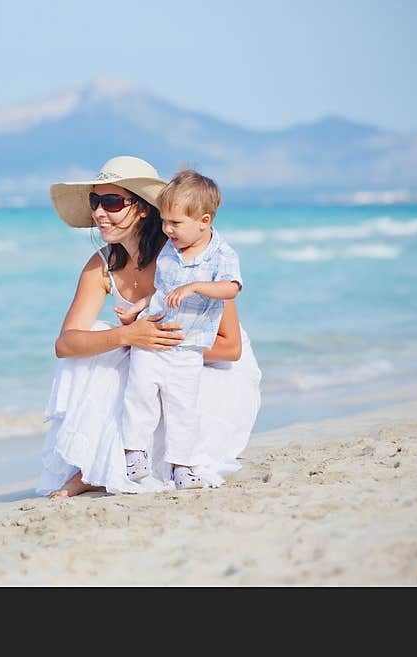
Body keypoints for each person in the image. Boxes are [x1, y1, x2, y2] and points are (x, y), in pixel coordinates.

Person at [36, 156, 261, 498]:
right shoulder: (101, 267)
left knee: (132, 360)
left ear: (142, 209)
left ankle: (109, 467)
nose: (99, 213)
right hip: (147, 368)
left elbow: (231, 348)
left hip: (205, 366)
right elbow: (65, 344)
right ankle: (93, 467)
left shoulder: (188, 256)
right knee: (99, 340)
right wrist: (128, 336)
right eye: (95, 202)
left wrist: (161, 343)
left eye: (111, 202)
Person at [114, 170, 242, 490]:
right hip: (154, 339)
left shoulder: (221, 255)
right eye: (163, 221)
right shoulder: (170, 250)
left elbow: (232, 288)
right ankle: (135, 451)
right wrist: (137, 307)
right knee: (139, 392)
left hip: (187, 348)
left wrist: (197, 286)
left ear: (204, 220)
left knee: (182, 408)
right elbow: (161, 291)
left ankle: (182, 467)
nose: (166, 229)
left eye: (175, 223)